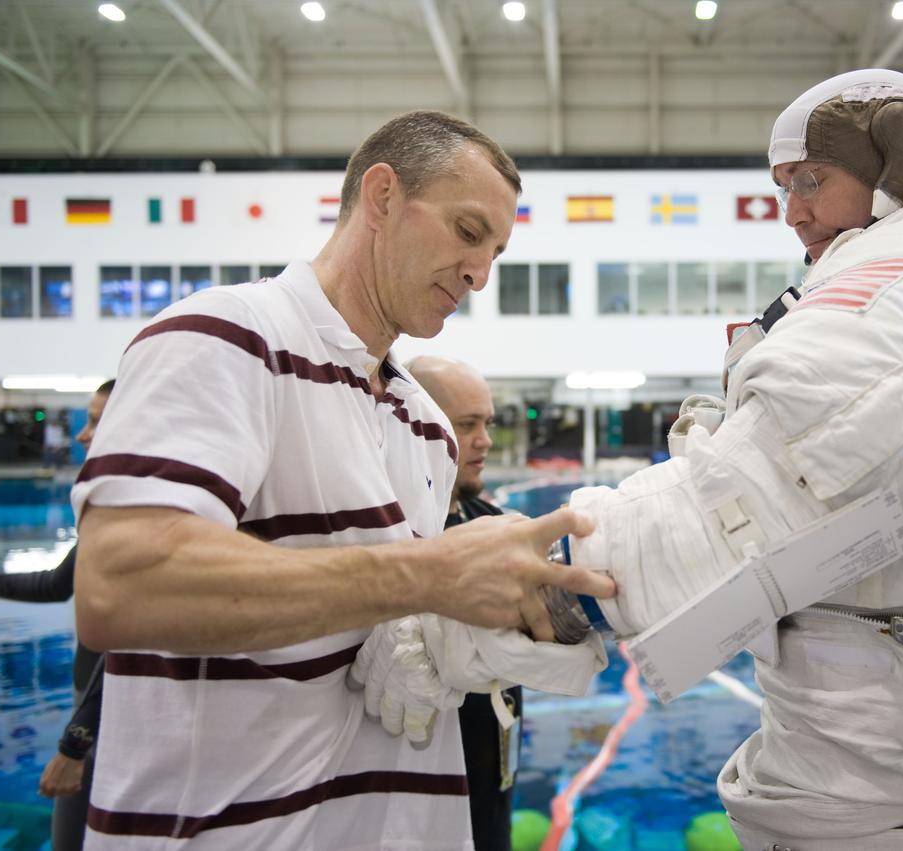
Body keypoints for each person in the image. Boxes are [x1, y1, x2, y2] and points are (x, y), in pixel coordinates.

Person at [565, 69, 903, 849]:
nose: (795, 212)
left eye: (812, 180)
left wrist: (521, 588)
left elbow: (736, 512)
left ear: (901, 161)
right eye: (785, 188)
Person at [69, 111, 613, 850]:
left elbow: (381, 623)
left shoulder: (426, 423)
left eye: (496, 251)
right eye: (466, 231)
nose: (480, 273)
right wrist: (423, 576)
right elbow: (119, 586)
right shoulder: (225, 337)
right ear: (382, 197)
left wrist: (467, 632)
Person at [0, 379, 113, 851]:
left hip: (105, 718)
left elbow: (131, 637)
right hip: (98, 707)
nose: (82, 433)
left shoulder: (124, 511)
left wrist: (75, 743)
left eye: (96, 421)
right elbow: (57, 585)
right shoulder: (108, 502)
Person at [408, 355, 521, 851]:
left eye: (488, 424)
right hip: (428, 803)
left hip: (494, 781)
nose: (485, 440)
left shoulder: (494, 525)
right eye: (467, 424)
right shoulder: (401, 541)